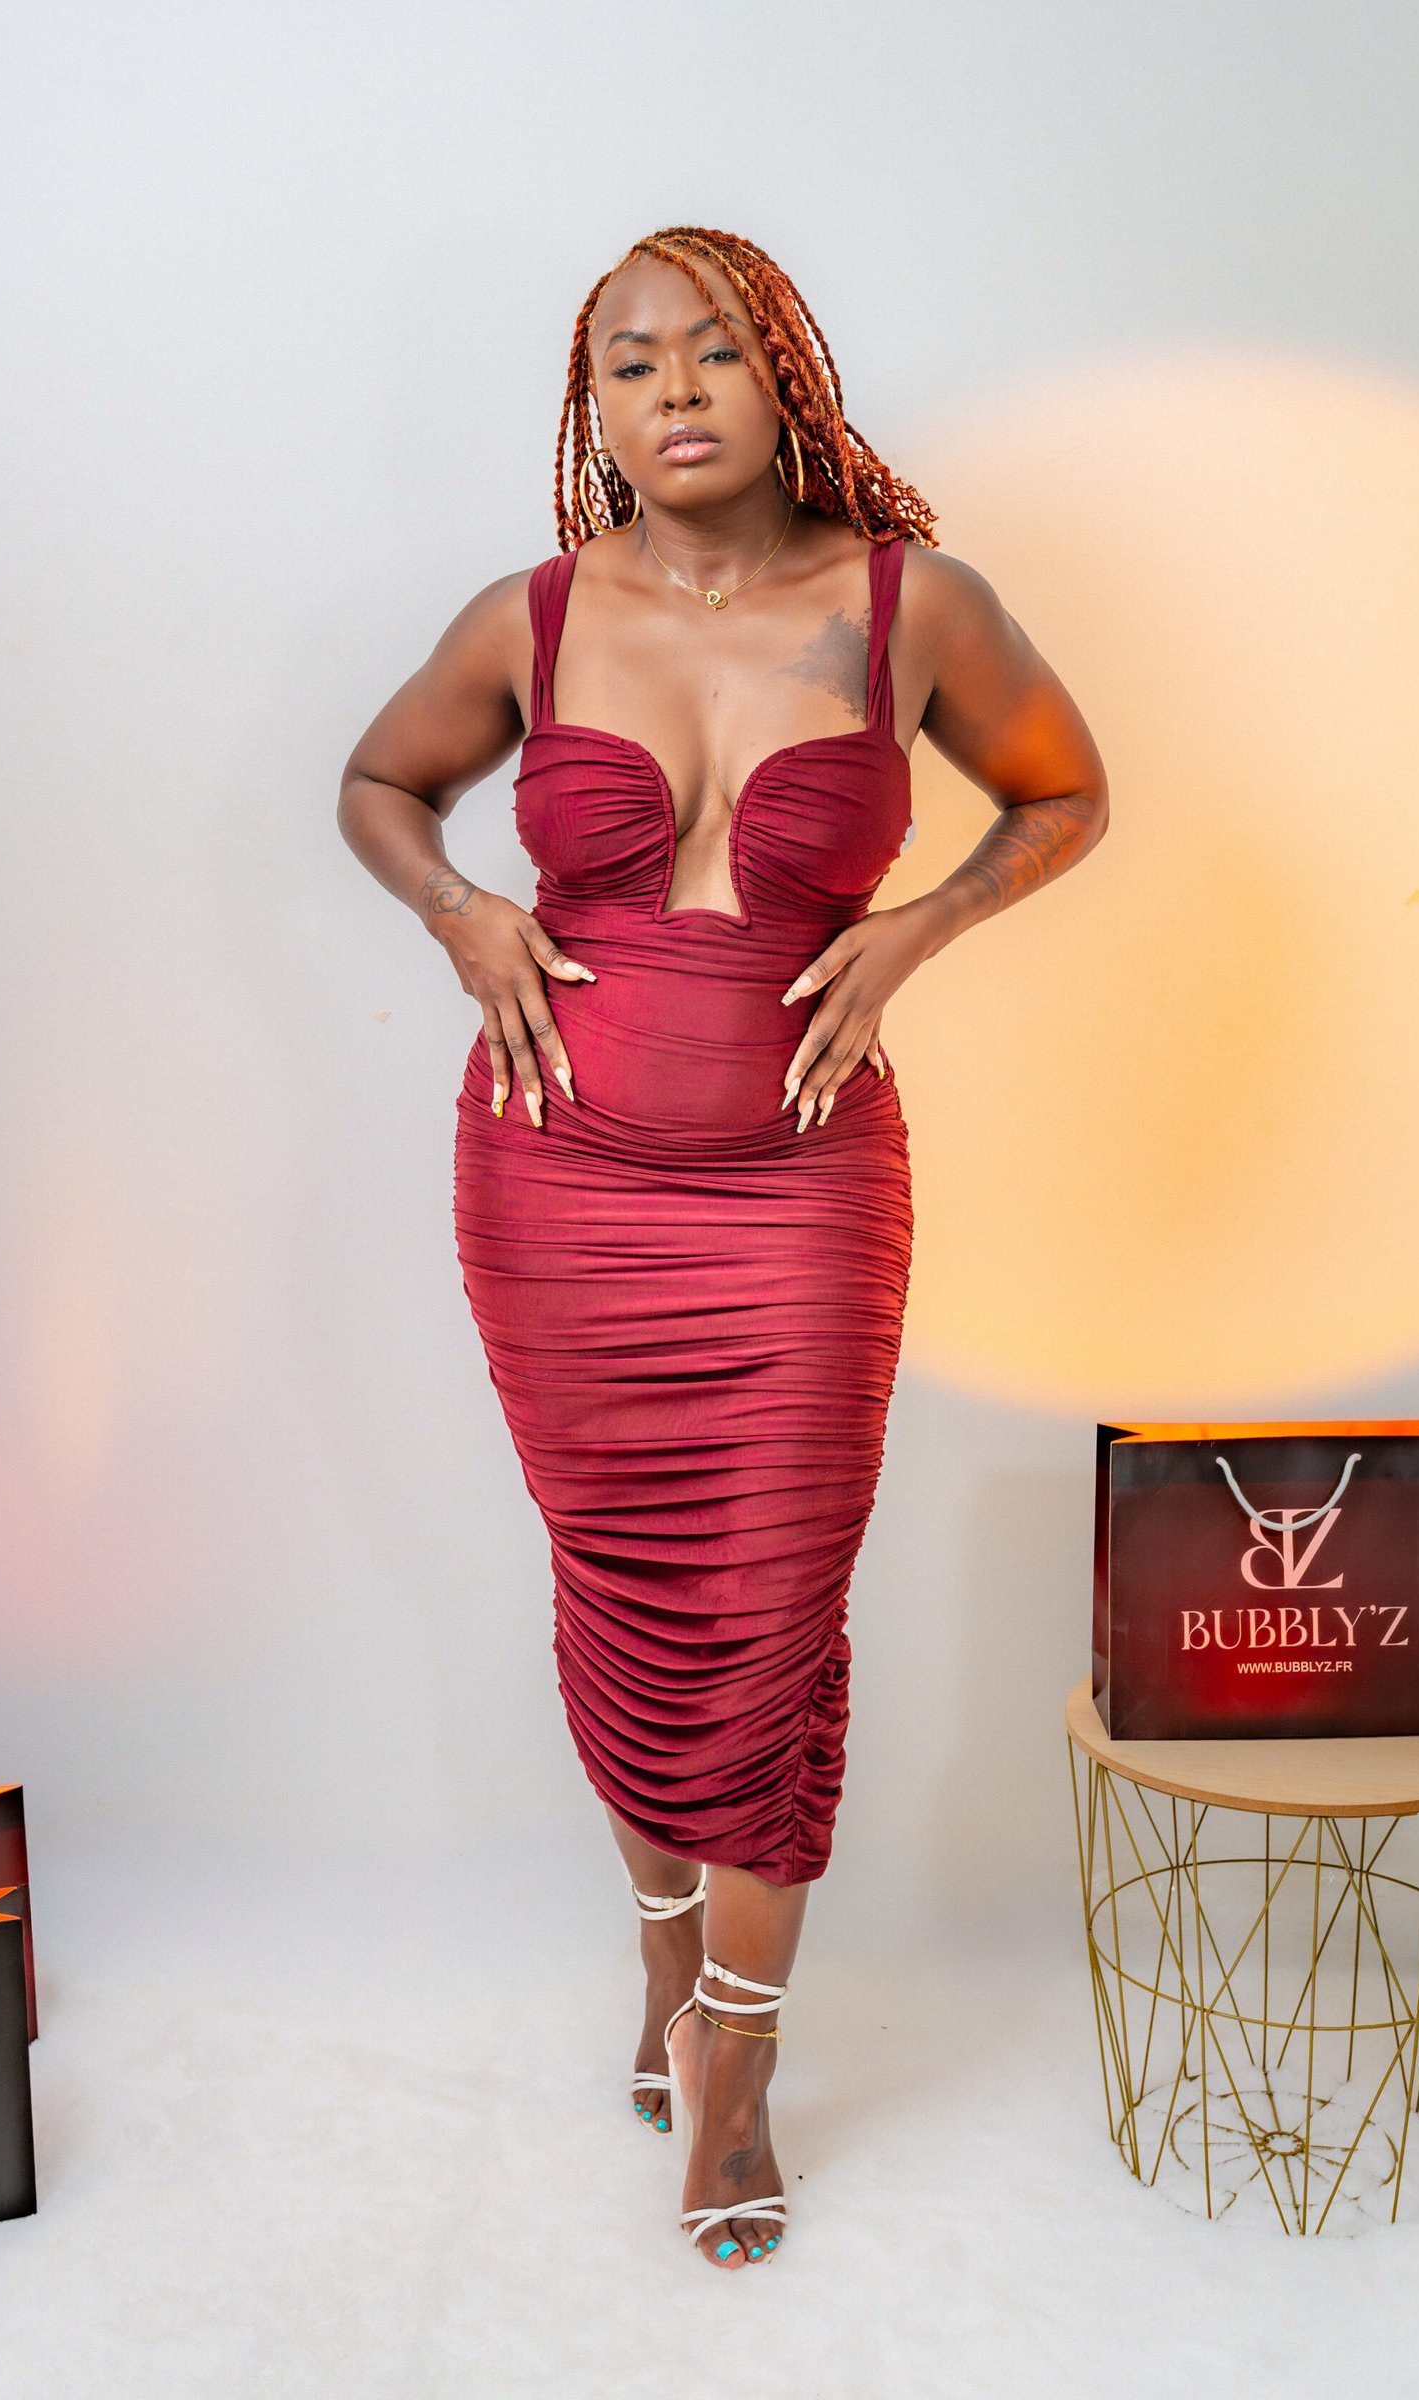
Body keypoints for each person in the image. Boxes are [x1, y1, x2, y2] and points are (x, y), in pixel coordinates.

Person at [337, 224, 1108, 2270]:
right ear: (590, 408)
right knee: (624, 1598)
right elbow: (381, 783)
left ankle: (740, 2063)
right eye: (628, 364)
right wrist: (464, 914)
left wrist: (919, 923)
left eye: (710, 353)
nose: (671, 392)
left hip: (800, 1190)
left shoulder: (913, 604)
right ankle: (666, 1967)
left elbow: (1063, 796)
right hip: (553, 1185)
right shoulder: (532, 617)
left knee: (766, 1625)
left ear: (785, 377)